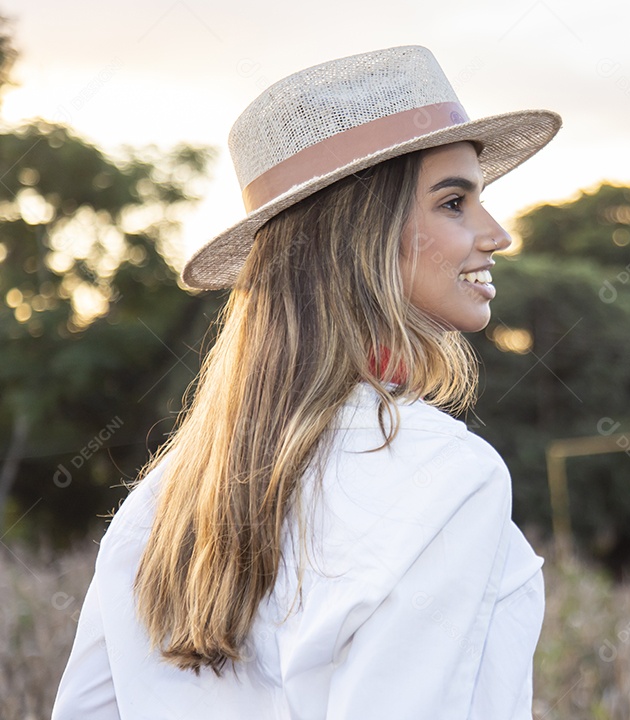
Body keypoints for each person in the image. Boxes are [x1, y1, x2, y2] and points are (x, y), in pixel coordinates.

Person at [51, 45, 561, 719]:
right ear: (361, 237)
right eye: (453, 202)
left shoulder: (166, 494)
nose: (496, 234)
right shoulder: (451, 475)